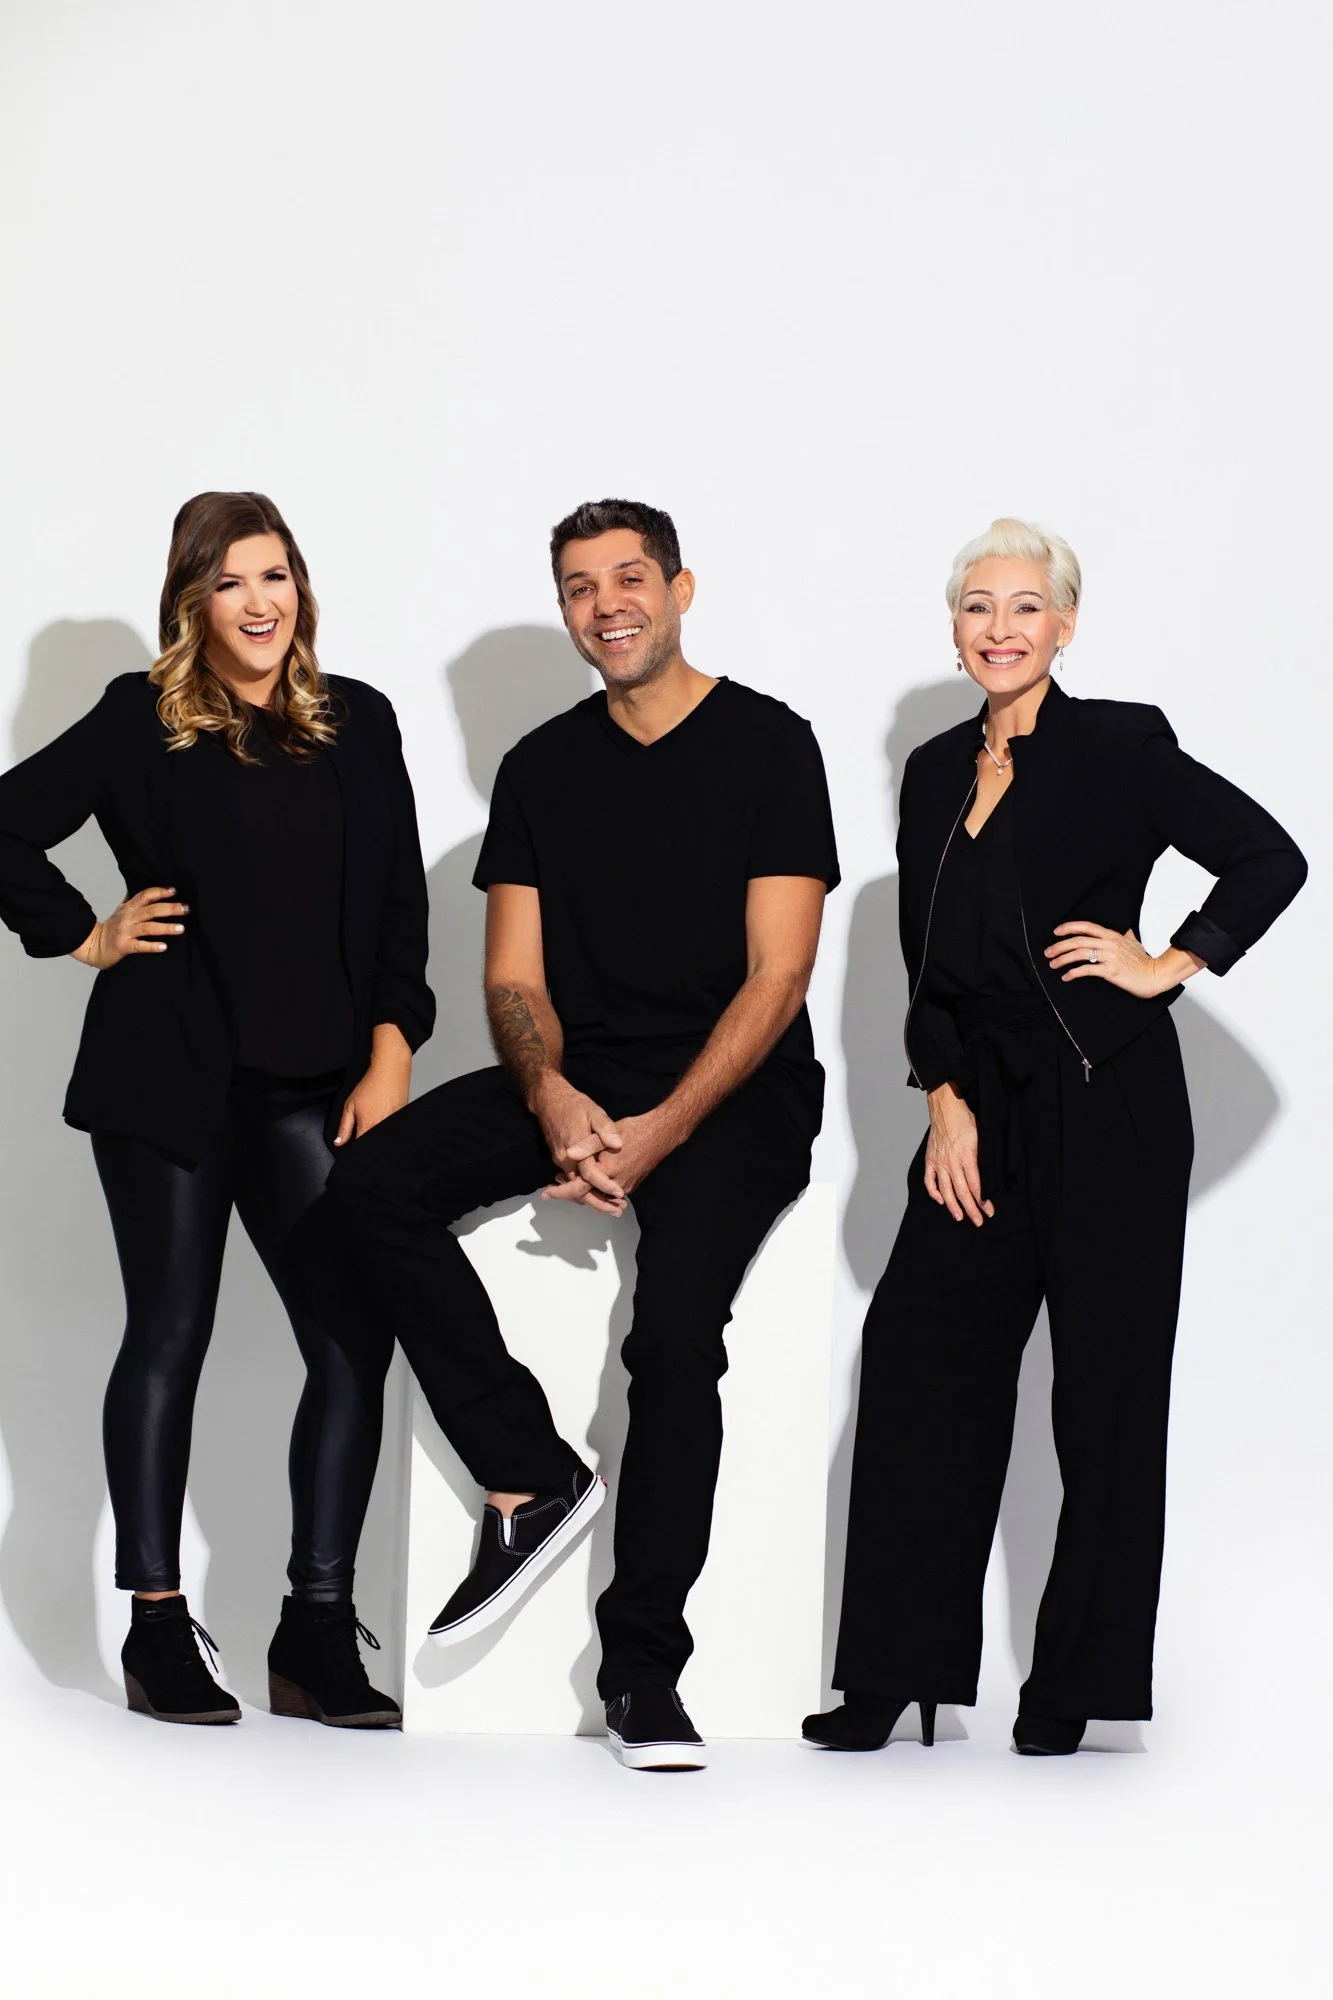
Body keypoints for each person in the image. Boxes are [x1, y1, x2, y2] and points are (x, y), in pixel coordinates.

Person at [318, 497, 839, 1769]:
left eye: (628, 579)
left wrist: (659, 1132)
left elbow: (775, 982)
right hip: (580, 1072)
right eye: (578, 586)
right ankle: (527, 1469)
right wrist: (552, 1099)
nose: (605, 605)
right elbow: (512, 981)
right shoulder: (543, 765)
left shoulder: (772, 744)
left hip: (738, 1087)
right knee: (371, 1185)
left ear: (680, 588)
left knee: (673, 1337)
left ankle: (644, 1674)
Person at [804, 518, 1306, 1757]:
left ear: (1064, 626)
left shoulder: (1119, 744)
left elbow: (1267, 856)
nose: (999, 628)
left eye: (1025, 607)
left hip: (1111, 1107)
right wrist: (942, 1102)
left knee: (1106, 1402)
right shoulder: (931, 771)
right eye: (977, 606)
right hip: (980, 1112)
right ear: (955, 625)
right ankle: (891, 1673)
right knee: (920, 1366)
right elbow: (931, 975)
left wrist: (1165, 961)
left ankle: (1069, 1687)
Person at [0, 492, 433, 1727]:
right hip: (168, 1078)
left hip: (315, 1085)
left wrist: (392, 1045)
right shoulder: (144, 719)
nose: (261, 602)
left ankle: (313, 1630)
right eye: (234, 580)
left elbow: (400, 904)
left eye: (278, 574)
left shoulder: (358, 721)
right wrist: (81, 933)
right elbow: (4, 822)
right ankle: (154, 1627)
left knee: (353, 1335)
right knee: (171, 1329)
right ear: (194, 596)